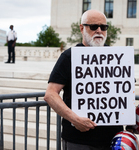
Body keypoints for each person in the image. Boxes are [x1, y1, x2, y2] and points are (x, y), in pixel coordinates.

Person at [44, 9, 123, 150]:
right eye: (93, 27)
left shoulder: (116, 57)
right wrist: (75, 119)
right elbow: (50, 94)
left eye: (103, 27)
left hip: (114, 141)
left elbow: (125, 93)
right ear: (82, 28)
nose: (99, 30)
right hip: (79, 141)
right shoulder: (69, 57)